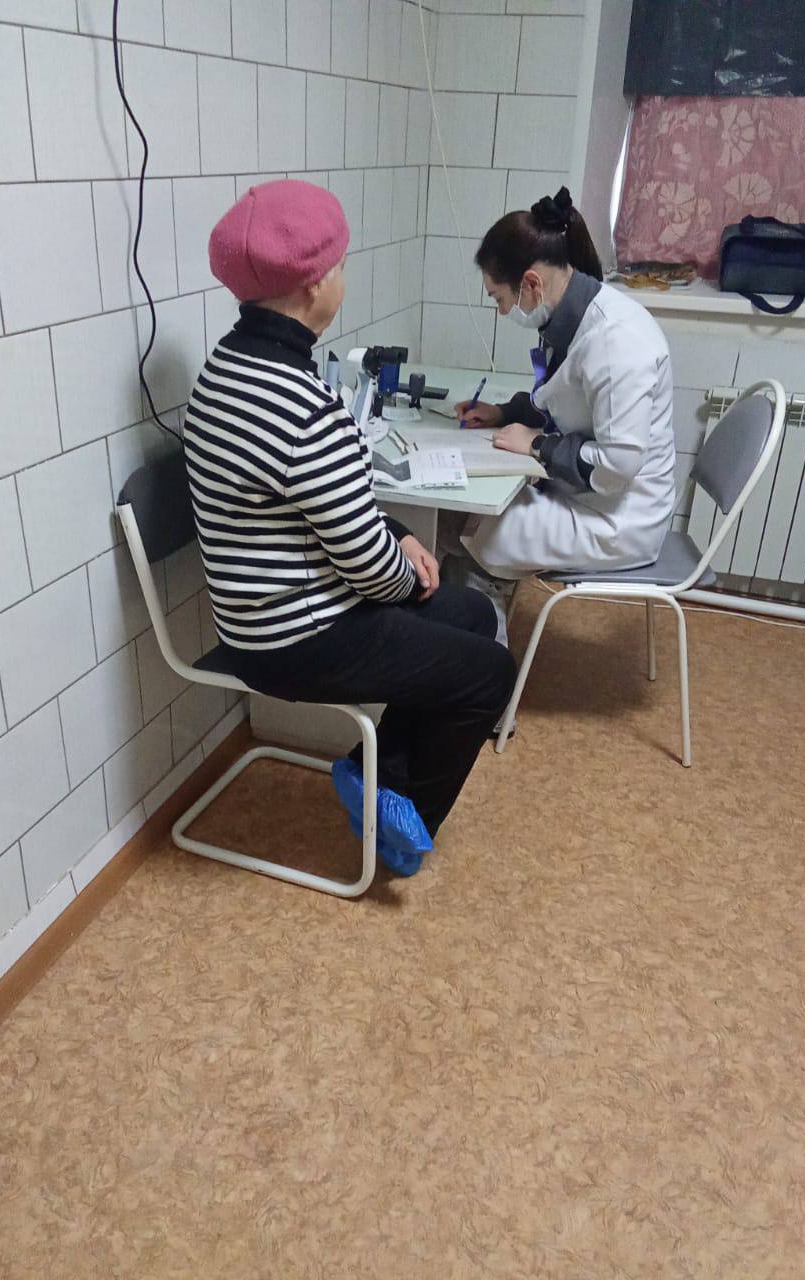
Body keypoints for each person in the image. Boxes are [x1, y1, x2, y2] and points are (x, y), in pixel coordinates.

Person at [183, 180, 516, 877]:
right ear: (313, 286)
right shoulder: (305, 407)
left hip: (255, 622)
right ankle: (403, 822)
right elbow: (367, 567)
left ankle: (376, 773)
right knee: (488, 673)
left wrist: (397, 536)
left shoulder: (222, 372)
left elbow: (315, 505)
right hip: (299, 641)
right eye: (340, 264)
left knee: (470, 614)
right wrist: (407, 572)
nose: (343, 277)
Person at [443, 187, 676, 646]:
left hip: (619, 518)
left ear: (531, 284)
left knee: (470, 528)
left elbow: (617, 466)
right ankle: (474, 634)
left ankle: (485, 669)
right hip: (591, 496)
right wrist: (503, 412)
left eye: (500, 298)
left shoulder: (616, 341)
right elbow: (559, 396)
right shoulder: (571, 316)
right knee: (463, 521)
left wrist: (536, 446)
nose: (502, 312)